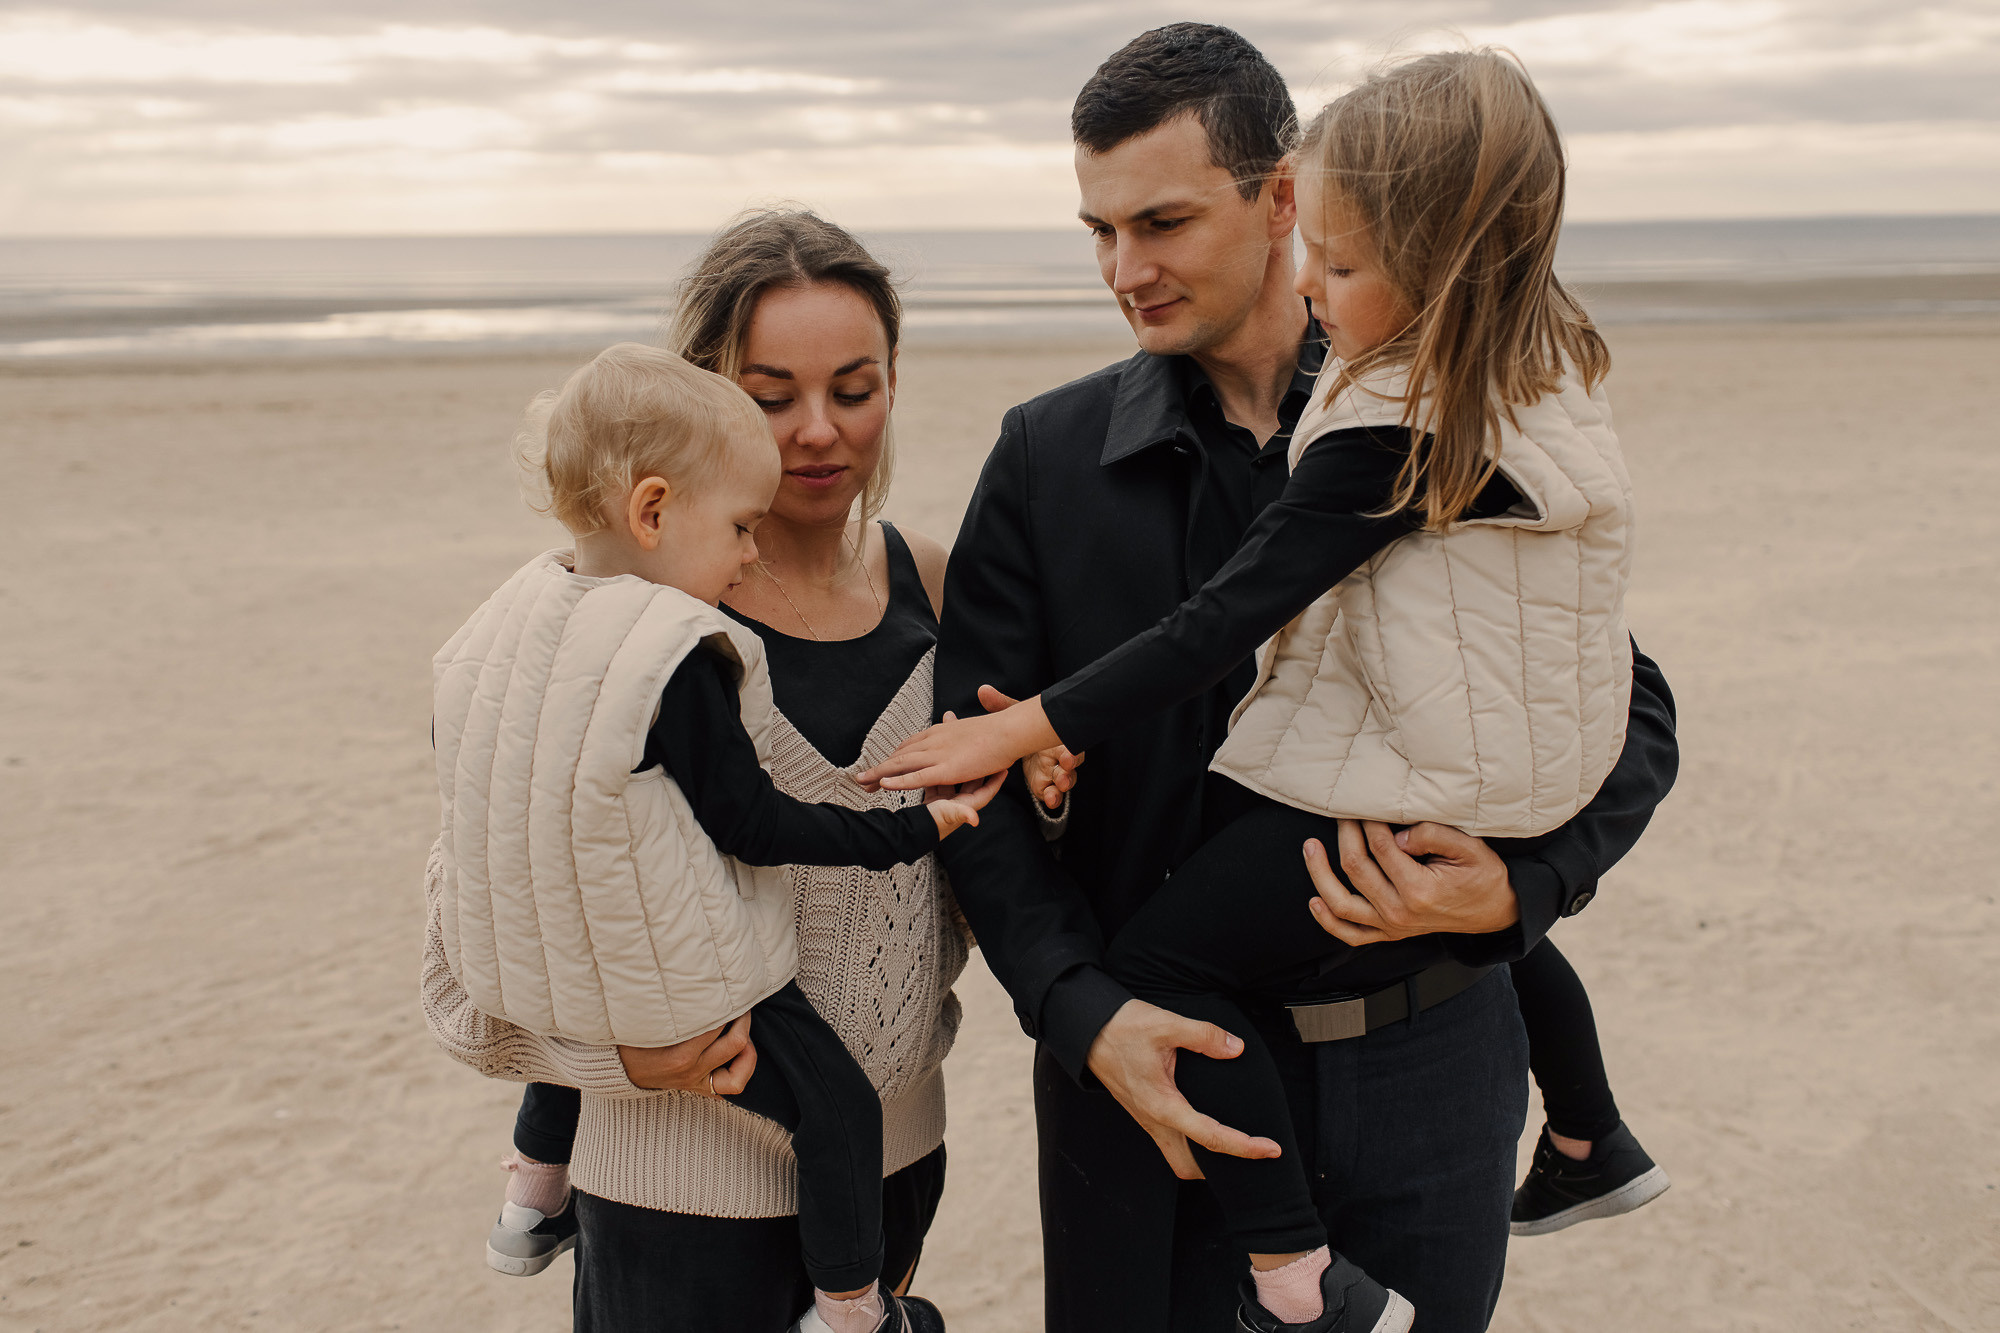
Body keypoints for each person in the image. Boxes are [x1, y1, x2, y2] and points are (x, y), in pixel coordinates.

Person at [908, 24, 1679, 1333]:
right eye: (1097, 231)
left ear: (1282, 200)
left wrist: (1524, 886)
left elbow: (1622, 696)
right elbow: (966, 775)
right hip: (1150, 1087)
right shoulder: (1040, 461)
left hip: (1431, 1057)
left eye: (1160, 221)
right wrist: (1082, 1012)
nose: (1125, 269)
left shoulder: (1438, 408)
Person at [423, 210, 987, 1333]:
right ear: (703, 402)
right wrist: (617, 1053)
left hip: (894, 1167)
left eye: (856, 387)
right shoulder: (604, 627)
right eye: (771, 395)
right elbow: (472, 946)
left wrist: (1047, 777)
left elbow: (977, 890)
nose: (817, 432)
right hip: (664, 1197)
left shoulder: (933, 583)